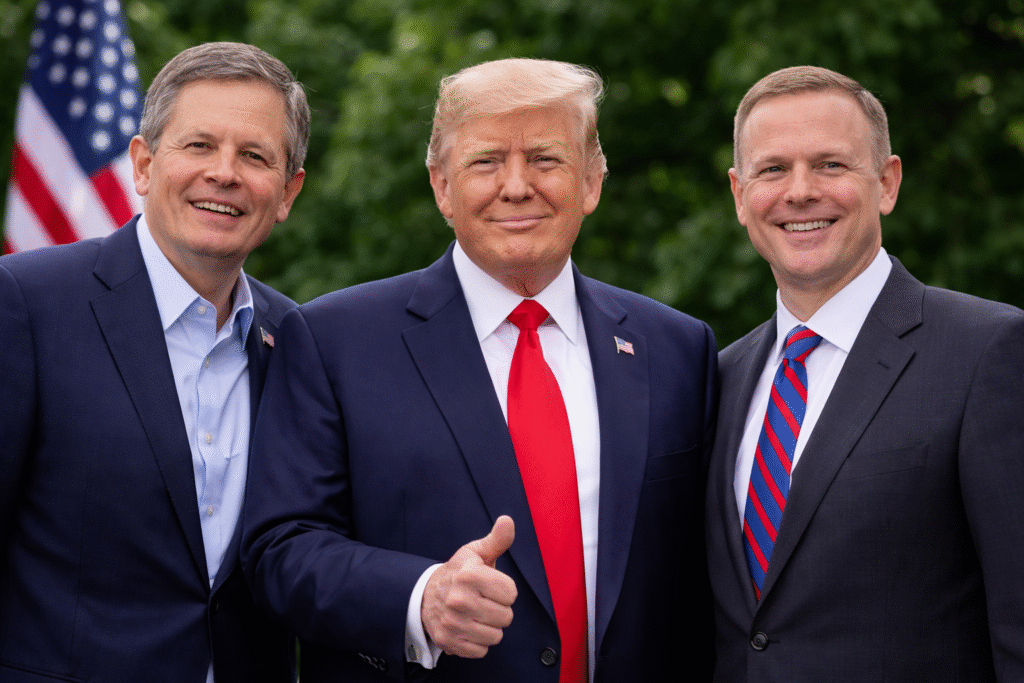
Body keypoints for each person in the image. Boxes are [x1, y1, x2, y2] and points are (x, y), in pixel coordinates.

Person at [241, 57, 717, 682]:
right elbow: (279, 549)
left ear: (593, 182)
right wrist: (420, 597)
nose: (516, 186)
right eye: (486, 161)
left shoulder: (679, 349)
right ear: (441, 185)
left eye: (546, 159)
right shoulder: (334, 340)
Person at [706, 64, 1024, 682]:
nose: (799, 191)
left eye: (830, 164)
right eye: (773, 169)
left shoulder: (989, 353)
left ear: (886, 182)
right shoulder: (716, 379)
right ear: (741, 196)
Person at [0, 41, 307, 682]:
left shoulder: (299, 338)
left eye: (255, 156)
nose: (224, 173)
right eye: (199, 146)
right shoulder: (24, 302)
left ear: (287, 193)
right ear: (142, 164)